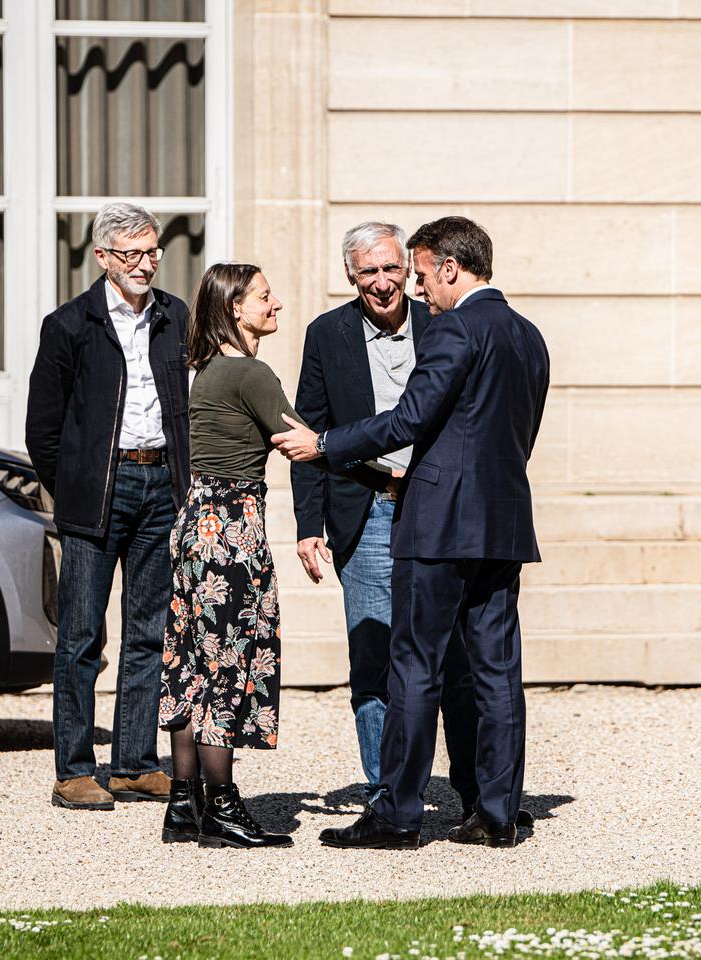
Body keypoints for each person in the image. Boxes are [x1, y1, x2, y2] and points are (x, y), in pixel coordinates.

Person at [273, 216, 550, 849]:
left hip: (436, 522)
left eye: (420, 274)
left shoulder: (454, 327)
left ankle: (397, 814)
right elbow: (520, 434)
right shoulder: (529, 336)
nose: (420, 289)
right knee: (497, 669)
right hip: (501, 521)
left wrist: (325, 444)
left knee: (414, 666)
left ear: (451, 268)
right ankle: (497, 814)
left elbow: (410, 418)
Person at [157, 262, 391, 849]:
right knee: (225, 666)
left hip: (197, 524)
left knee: (191, 663)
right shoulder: (250, 373)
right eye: (264, 297)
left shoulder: (207, 369)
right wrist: (381, 461)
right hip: (231, 531)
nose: (277, 304)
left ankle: (185, 807)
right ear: (235, 307)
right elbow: (303, 443)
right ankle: (223, 809)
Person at [290, 221, 479, 810]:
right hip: (367, 508)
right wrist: (307, 525)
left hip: (434, 509)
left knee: (450, 655)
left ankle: (470, 788)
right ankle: (386, 790)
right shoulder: (327, 334)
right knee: (374, 657)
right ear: (351, 276)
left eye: (392, 269)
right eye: (367, 272)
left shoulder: (444, 324)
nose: (382, 283)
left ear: (409, 270)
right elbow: (309, 431)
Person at [26, 201, 191, 811]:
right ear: (103, 258)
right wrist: (73, 486)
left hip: (161, 489)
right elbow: (43, 428)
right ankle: (73, 769)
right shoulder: (70, 324)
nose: (147, 263)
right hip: (98, 492)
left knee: (149, 631)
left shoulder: (176, 317)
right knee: (82, 636)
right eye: (134, 254)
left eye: (153, 251)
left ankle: (132, 763)